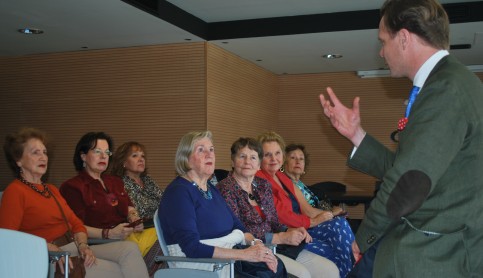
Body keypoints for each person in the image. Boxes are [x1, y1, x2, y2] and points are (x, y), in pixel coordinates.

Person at [319, 0, 483, 276]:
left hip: (435, 257)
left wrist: (363, 236)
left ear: (404, 38)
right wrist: (356, 135)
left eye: (383, 41)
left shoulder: (445, 90)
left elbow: (408, 183)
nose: (381, 52)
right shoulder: (453, 83)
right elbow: (413, 168)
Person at [0, 127, 148, 278]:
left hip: (72, 246)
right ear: (18, 160)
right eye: (35, 152)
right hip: (47, 256)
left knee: (129, 250)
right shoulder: (15, 191)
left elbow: (75, 224)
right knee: (119, 271)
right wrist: (47, 247)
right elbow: (8, 239)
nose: (43, 157)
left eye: (44, 152)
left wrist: (83, 246)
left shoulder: (51, 189)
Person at [158, 131, 284, 277]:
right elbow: (191, 248)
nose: (209, 154)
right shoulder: (179, 192)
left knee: (275, 266)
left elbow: (239, 227)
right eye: (201, 150)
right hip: (201, 265)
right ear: (185, 158)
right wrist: (243, 254)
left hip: (227, 258)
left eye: (211, 149)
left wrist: (257, 246)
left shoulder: (210, 188)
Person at [217, 137, 340, 278]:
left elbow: (275, 222)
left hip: (279, 247)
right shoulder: (225, 189)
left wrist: (290, 230)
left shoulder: (263, 186)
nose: (247, 162)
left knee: (329, 270)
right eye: (242, 156)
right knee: (302, 274)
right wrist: (279, 237)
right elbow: (238, 233)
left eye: (253, 157)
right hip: (249, 253)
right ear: (232, 161)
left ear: (258, 164)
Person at [256, 131, 355, 278]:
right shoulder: (259, 179)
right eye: (267, 155)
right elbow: (279, 215)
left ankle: (355, 270)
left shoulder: (282, 177)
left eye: (277, 153)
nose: (273, 159)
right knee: (333, 248)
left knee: (339, 224)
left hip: (302, 227)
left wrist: (327, 216)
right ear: (259, 157)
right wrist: (314, 221)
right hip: (286, 233)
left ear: (282, 155)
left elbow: (307, 209)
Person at [60, 132, 158, 276]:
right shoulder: (73, 187)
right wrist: (108, 233)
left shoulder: (114, 181)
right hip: (97, 241)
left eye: (107, 152)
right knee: (130, 249)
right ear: (83, 156)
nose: (103, 156)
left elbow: (129, 207)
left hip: (125, 236)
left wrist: (134, 218)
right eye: (97, 151)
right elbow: (74, 226)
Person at [110, 141, 163, 221]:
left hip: (158, 226)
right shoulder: (118, 184)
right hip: (136, 229)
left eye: (143, 156)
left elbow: (163, 202)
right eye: (135, 156)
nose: (141, 159)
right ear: (123, 162)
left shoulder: (147, 180)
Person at [283, 143, 343, 213]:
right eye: (293, 158)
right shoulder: (284, 185)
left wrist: (332, 209)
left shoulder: (301, 185)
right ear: (283, 163)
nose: (298, 161)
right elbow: (306, 212)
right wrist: (332, 213)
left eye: (301, 158)